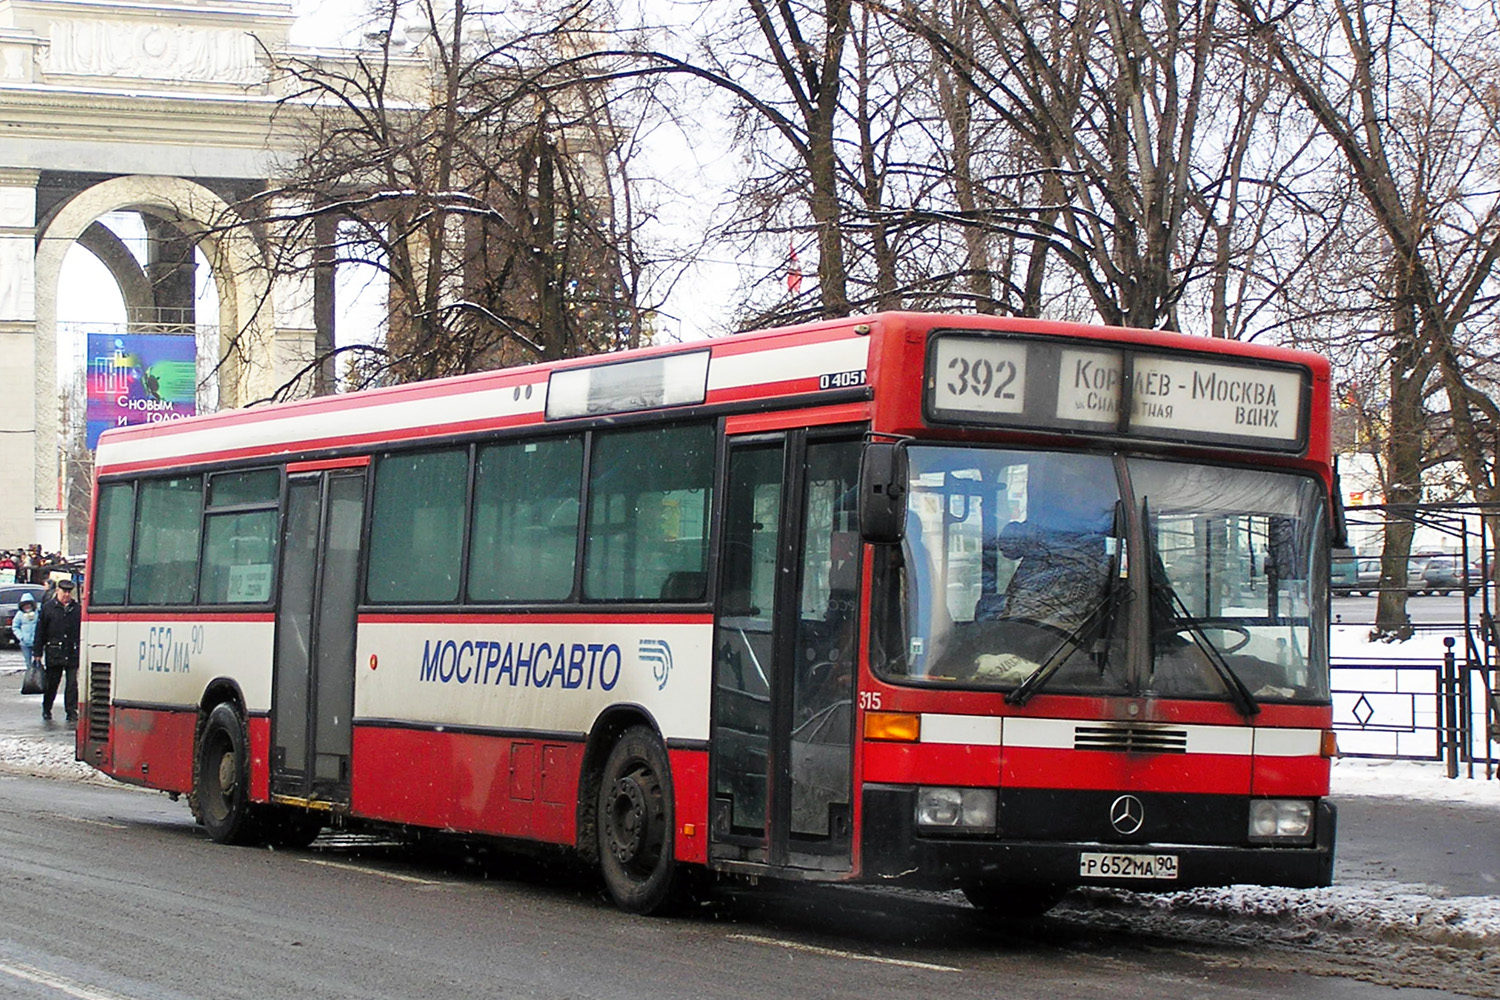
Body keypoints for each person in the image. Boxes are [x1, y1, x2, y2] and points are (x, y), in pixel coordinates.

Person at [33, 578, 81, 723]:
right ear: (57, 591)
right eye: (64, 592)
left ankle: (71, 711)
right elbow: (40, 631)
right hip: (54, 651)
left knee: (72, 684)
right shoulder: (48, 608)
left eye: (69, 592)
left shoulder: (77, 608)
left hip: (72, 651)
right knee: (52, 683)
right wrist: (37, 652)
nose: (66, 595)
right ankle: (47, 708)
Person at [11, 592, 38, 672]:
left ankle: (37, 676)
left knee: (37, 661)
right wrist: (21, 637)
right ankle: (30, 676)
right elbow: (15, 626)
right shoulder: (19, 615)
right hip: (24, 643)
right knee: (28, 662)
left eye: (28, 604)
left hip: (36, 642)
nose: (27, 607)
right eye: (25, 605)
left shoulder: (37, 613)